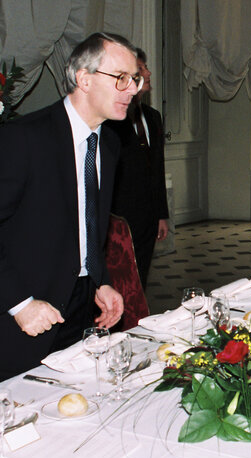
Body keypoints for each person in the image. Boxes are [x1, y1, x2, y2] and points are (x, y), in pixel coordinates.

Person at [0, 33, 138, 386]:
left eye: (135, 79)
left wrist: (100, 281)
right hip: (13, 323)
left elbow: (87, 225)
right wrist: (20, 304)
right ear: (84, 78)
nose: (131, 89)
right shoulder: (23, 138)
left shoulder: (110, 143)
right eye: (121, 78)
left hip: (78, 314)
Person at [104, 48, 169, 290]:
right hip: (120, 216)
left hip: (148, 215)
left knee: (140, 277)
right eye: (141, 69)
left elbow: (157, 168)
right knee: (118, 279)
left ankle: (136, 320)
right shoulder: (112, 120)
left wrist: (161, 214)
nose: (148, 72)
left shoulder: (153, 117)